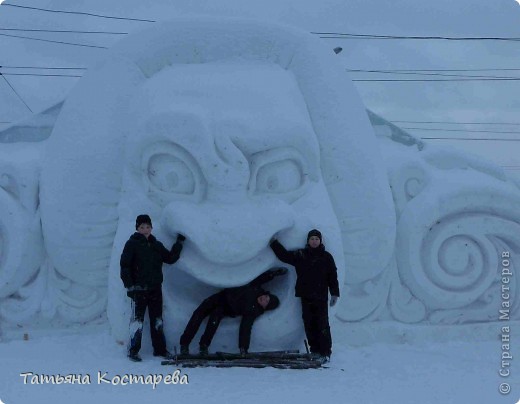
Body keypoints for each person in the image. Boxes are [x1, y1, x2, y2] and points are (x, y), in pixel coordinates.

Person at [120, 214, 185, 362]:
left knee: (157, 320)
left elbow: (170, 258)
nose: (145, 230)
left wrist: (179, 243)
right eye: (142, 227)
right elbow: (125, 265)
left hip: (155, 288)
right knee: (137, 321)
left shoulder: (156, 245)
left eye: (148, 227)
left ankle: (160, 350)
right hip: (139, 289)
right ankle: (133, 351)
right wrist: (130, 286)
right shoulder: (132, 244)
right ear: (137, 228)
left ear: (151, 228)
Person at [179, 268, 287, 356]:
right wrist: (273, 274)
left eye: (266, 301)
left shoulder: (254, 311)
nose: (264, 298)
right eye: (266, 296)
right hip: (221, 296)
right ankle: (184, 344)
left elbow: (246, 327)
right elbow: (261, 278)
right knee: (199, 313)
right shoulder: (257, 289)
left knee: (214, 318)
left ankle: (204, 346)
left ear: (265, 307)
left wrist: (243, 347)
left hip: (226, 308)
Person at [269, 229, 340, 363]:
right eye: (312, 239)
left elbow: (332, 276)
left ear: (320, 241)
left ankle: (325, 352)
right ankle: (314, 350)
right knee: (309, 323)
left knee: (322, 324)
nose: (314, 241)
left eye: (316, 239)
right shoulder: (301, 254)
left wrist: (335, 293)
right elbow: (284, 256)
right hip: (306, 295)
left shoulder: (326, 257)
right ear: (308, 241)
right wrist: (274, 243)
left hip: (320, 296)